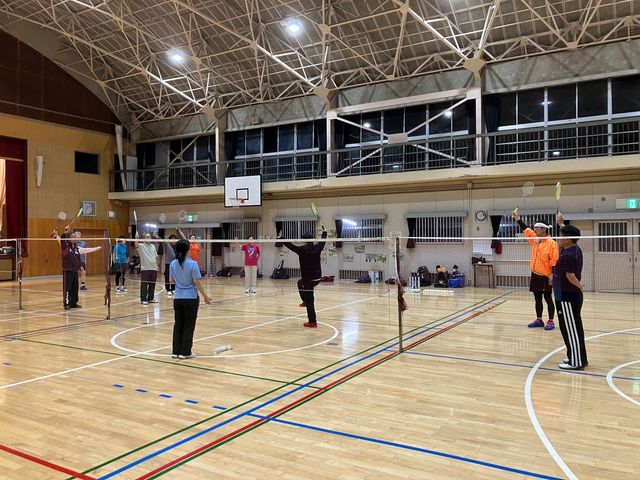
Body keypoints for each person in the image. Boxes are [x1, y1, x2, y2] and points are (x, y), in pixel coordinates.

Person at [513, 211, 559, 330]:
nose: (535, 229)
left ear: (544, 229)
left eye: (537, 228)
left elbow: (554, 260)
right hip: (535, 274)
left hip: (546, 275)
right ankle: (539, 320)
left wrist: (552, 275)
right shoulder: (535, 240)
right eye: (535, 228)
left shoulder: (552, 244)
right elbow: (526, 229)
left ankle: (550, 321)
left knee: (548, 298)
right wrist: (518, 219)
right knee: (537, 298)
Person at [553, 215, 587, 370]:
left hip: (567, 296)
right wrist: (561, 223)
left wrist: (579, 285)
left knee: (571, 329)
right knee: (573, 328)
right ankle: (577, 357)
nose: (558, 238)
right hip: (568, 295)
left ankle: (576, 362)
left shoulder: (567, 255)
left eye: (560, 236)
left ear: (567, 239)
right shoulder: (575, 249)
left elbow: (570, 276)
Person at [169, 239, 212, 359]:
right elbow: (197, 282)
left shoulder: (172, 264)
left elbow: (171, 280)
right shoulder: (193, 264)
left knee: (178, 325)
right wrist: (206, 297)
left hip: (177, 298)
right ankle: (185, 352)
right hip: (191, 298)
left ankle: (175, 351)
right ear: (188, 250)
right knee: (188, 325)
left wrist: (180, 283)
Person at [281, 226, 327, 328]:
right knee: (300, 283)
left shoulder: (301, 250)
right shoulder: (317, 248)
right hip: (317, 278)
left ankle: (312, 321)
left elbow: (290, 245)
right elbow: (323, 241)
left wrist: (281, 238)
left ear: (305, 240)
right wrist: (324, 232)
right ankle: (305, 301)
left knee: (310, 300)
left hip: (308, 280)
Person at [53, 227, 101, 309]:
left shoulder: (76, 248)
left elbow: (83, 252)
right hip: (68, 270)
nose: (75, 238)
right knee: (67, 288)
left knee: (74, 288)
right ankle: (66, 304)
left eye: (75, 237)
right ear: (69, 238)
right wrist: (65, 232)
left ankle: (73, 303)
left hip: (75, 271)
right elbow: (62, 239)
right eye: (73, 237)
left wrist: (96, 248)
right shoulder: (65, 247)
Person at [135, 232, 159, 305]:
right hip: (145, 269)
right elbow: (136, 245)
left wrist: (157, 265)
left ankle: (151, 298)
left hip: (153, 268)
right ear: (144, 239)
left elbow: (156, 256)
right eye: (147, 237)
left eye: (150, 237)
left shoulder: (153, 246)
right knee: (144, 284)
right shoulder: (141, 246)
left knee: (152, 284)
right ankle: (143, 299)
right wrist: (136, 238)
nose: (149, 238)